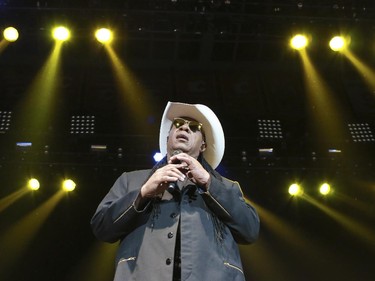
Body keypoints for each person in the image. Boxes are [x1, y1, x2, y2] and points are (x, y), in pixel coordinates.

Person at [90, 101, 260, 281]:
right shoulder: (131, 180)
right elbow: (101, 227)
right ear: (167, 137)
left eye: (194, 127)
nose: (184, 128)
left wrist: (208, 183)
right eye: (178, 124)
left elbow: (250, 231)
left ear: (203, 145)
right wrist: (142, 194)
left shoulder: (225, 186)